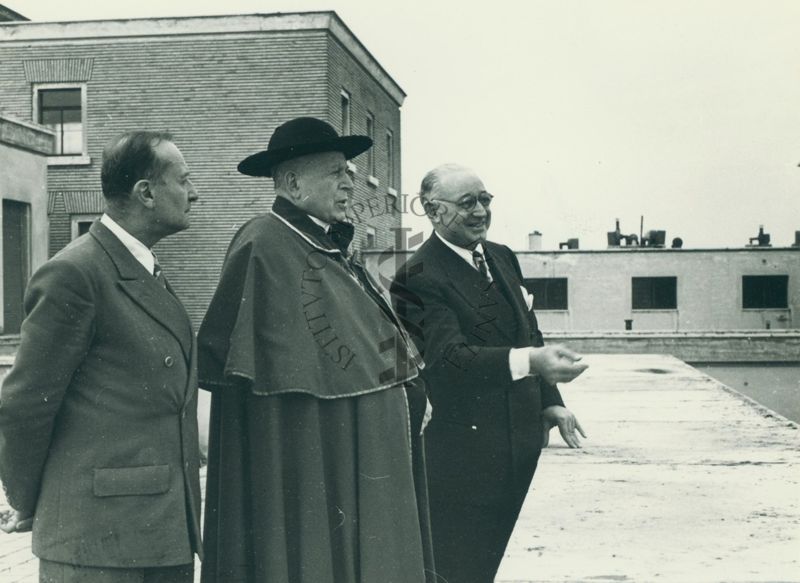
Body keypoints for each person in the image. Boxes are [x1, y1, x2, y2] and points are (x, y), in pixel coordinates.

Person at [197, 117, 432, 583]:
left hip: (351, 458)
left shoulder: (327, 243)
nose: (350, 185)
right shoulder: (263, 243)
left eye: (350, 172)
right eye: (336, 172)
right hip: (306, 460)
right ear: (291, 182)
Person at [0, 130, 202, 583]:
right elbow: (24, 405)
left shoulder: (140, 266)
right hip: (97, 545)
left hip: (157, 533)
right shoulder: (76, 273)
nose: (195, 193)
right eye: (184, 181)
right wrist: (31, 500)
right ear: (146, 193)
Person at [391, 163, 589, 583]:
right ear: (433, 210)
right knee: (465, 569)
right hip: (464, 464)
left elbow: (528, 330)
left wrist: (551, 402)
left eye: (485, 199)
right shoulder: (416, 277)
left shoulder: (501, 256)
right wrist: (533, 363)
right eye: (467, 203)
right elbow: (448, 360)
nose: (480, 211)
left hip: (521, 449)